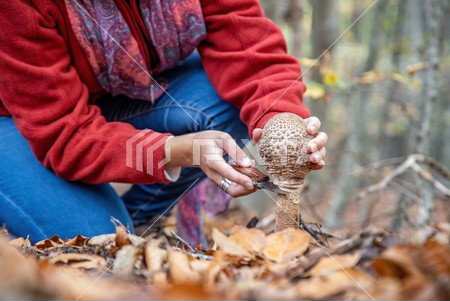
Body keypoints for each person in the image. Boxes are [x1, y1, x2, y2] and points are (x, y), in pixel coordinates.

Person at [0, 0, 327, 243]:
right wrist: (170, 151)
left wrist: (279, 118)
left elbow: (250, 50)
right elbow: (65, 136)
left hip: (112, 91)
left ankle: (142, 217)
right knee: (97, 246)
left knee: (225, 101)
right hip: (22, 117)